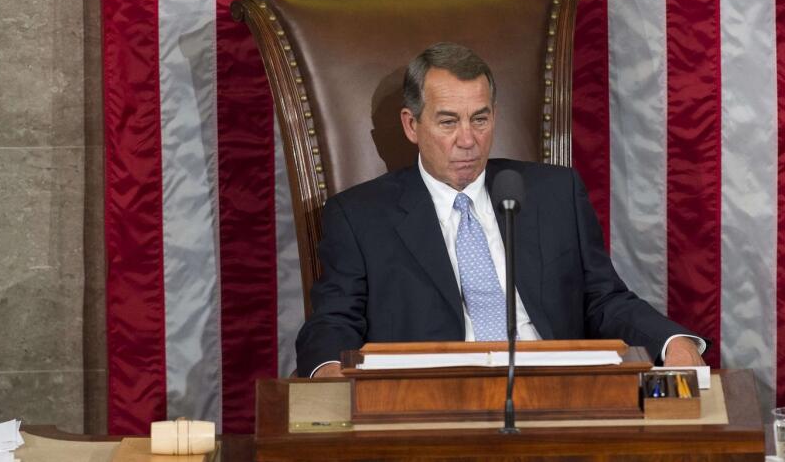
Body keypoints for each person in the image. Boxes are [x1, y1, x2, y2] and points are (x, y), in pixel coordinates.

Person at [295, 42, 706, 377]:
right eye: (448, 122)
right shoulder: (360, 216)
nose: (467, 139)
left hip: (555, 393)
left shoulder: (554, 193)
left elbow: (603, 298)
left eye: (480, 119)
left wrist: (673, 342)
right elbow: (334, 321)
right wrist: (330, 375)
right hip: (431, 403)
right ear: (411, 125)